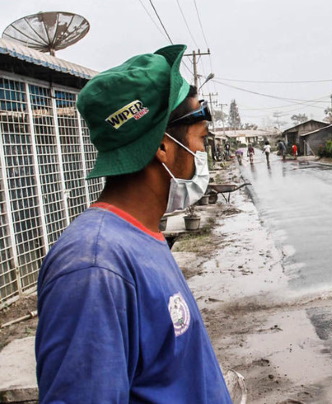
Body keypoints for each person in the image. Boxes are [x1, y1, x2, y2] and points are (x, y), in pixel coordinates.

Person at [34, 45, 232, 402]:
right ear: (161, 146)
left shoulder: (142, 238)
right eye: (200, 139)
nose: (203, 155)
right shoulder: (96, 267)